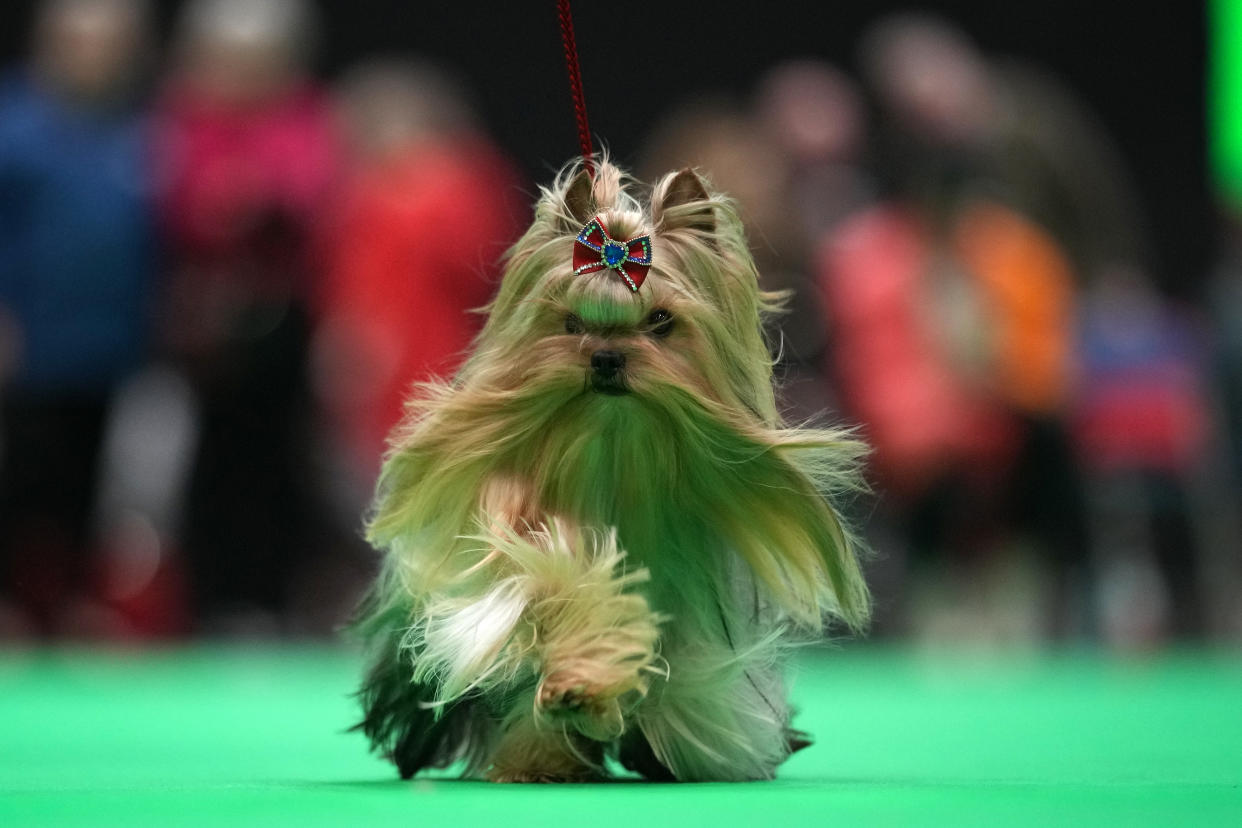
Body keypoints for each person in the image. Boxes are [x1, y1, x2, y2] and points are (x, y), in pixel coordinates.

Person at [151, 0, 340, 633]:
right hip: (199, 327)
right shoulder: (178, 121)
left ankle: (267, 601)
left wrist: (256, 200)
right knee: (202, 464)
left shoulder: (303, 118)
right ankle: (205, 603)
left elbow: (311, 196)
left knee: (279, 465)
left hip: (282, 325)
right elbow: (177, 203)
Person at [0, 0, 155, 637]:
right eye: (83, 41)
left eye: (111, 43)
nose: (96, 56)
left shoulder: (140, 131)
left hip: (109, 347)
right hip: (28, 344)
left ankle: (66, 608)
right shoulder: (14, 126)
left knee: (91, 486)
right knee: (19, 480)